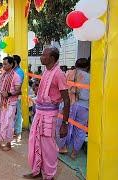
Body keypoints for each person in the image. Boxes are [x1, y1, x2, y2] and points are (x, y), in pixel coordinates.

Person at [24, 47, 70, 180]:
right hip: (39, 113)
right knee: (35, 141)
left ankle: (49, 176)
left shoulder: (58, 74)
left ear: (52, 58)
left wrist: (64, 124)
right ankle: (37, 170)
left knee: (48, 147)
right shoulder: (47, 70)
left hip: (49, 116)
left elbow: (66, 100)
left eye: (44, 55)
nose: (41, 56)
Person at [57, 58, 90, 159]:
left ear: (75, 65)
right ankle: (74, 153)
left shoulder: (67, 73)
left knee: (64, 125)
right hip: (83, 105)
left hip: (68, 103)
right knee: (80, 129)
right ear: (88, 67)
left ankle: (63, 147)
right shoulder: (91, 77)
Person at [0, 56, 22, 151]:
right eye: (3, 63)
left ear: (11, 64)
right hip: (1, 102)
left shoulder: (16, 76)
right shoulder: (4, 75)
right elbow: (0, 86)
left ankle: (9, 144)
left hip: (10, 103)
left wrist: (8, 94)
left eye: (5, 64)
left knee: (8, 123)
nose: (3, 66)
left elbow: (19, 91)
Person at [12, 55, 24, 140]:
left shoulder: (19, 72)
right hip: (12, 95)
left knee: (18, 114)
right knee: (13, 114)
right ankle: (14, 131)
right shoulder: (14, 71)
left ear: (15, 62)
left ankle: (18, 131)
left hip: (16, 96)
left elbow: (17, 86)